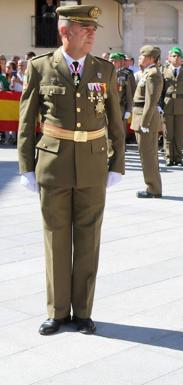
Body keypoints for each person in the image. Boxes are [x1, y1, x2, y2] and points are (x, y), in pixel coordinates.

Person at [17, 5, 125, 335]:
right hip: (53, 164)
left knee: (89, 239)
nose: (93, 32)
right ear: (65, 32)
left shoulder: (103, 70)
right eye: (84, 28)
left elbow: (115, 121)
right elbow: (26, 122)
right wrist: (26, 167)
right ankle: (57, 311)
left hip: (92, 164)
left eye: (94, 28)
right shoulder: (40, 68)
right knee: (56, 239)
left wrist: (117, 163)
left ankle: (83, 312)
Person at [131, 45, 164, 199]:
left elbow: (150, 102)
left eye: (142, 55)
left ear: (151, 58)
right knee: (147, 154)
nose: (139, 58)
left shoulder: (153, 74)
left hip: (146, 120)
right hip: (141, 117)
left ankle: (153, 188)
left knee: (148, 155)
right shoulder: (148, 73)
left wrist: (144, 123)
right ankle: (153, 186)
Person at [161, 47, 183, 166]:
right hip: (167, 104)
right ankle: (169, 157)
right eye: (174, 56)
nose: (176, 58)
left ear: (182, 59)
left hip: (181, 105)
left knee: (179, 134)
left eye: (179, 56)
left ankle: (179, 157)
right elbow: (160, 90)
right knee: (168, 133)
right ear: (169, 58)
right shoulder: (163, 71)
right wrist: (158, 105)